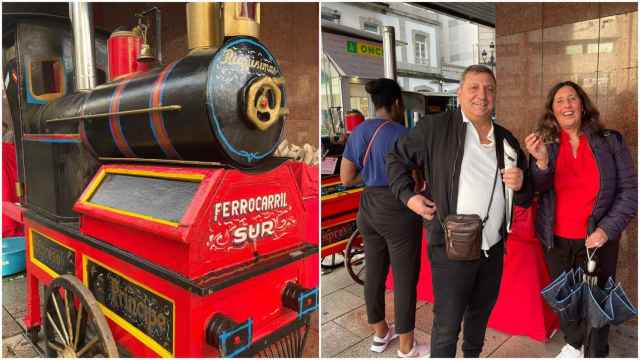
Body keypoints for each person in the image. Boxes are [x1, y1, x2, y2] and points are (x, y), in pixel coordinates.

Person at [385, 65, 530, 357]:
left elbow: (523, 197)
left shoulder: (507, 140)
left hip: (492, 248)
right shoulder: (435, 128)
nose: (482, 95)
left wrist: (523, 183)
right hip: (451, 248)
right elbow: (395, 158)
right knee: (447, 325)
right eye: (474, 88)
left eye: (489, 88)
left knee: (479, 317)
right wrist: (408, 196)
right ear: (460, 93)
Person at [525, 81, 637, 358]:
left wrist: (606, 230)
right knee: (566, 299)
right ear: (552, 110)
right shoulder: (546, 146)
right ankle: (574, 344)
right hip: (556, 239)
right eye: (560, 101)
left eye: (572, 99)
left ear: (582, 105)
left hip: (597, 239)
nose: (566, 105)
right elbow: (533, 190)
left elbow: (629, 192)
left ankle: (597, 351)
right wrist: (540, 163)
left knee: (597, 301)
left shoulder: (610, 141)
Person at [341, 78, 428, 357]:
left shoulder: (359, 132)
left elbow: (345, 178)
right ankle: (406, 346)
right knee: (404, 279)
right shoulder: (404, 133)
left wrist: (370, 177)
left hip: (367, 207)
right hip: (399, 208)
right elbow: (418, 179)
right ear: (397, 104)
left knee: (374, 273)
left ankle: (380, 333)